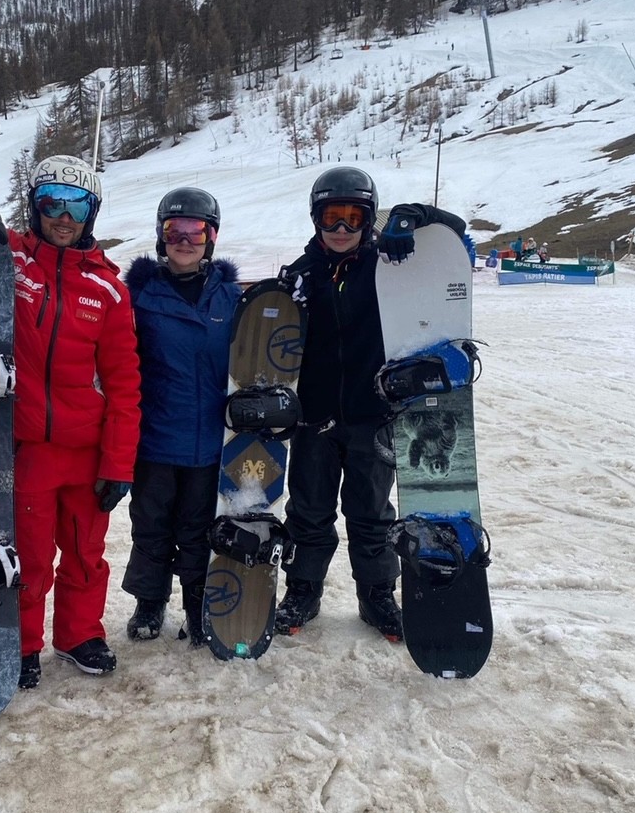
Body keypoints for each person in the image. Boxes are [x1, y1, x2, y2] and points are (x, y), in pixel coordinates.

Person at [0, 156, 140, 687]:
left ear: (93, 212)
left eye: (77, 205)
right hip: (26, 448)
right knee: (30, 559)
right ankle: (21, 644)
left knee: (86, 553)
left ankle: (80, 634)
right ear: (34, 205)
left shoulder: (109, 289)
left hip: (87, 454)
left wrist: (119, 462)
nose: (64, 216)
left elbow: (126, 383)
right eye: (51, 202)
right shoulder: (8, 258)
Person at [275, 165, 466, 641]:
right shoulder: (299, 276)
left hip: (373, 415)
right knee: (309, 511)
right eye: (331, 217)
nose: (341, 229)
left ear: (369, 219)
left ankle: (377, 594)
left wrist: (415, 215)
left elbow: (457, 240)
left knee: (371, 514)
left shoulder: (394, 268)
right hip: (314, 417)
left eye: (353, 218)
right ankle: (302, 590)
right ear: (315, 219)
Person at [121, 188, 242, 646]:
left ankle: (197, 602)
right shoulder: (137, 296)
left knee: (197, 528)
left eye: (196, 231)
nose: (185, 240)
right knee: (151, 526)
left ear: (211, 237)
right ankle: (150, 601)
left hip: (210, 441)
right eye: (175, 231)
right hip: (154, 438)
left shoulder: (231, 299)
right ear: (161, 236)